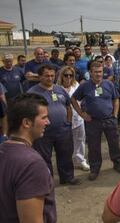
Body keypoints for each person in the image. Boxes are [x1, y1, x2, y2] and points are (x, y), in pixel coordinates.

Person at [0, 93, 56, 223]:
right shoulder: (32, 164)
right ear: (26, 123)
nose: (48, 122)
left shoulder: (4, 150)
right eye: (44, 117)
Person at [71, 61, 120, 181]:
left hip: (109, 120)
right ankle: (95, 169)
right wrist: (82, 114)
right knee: (93, 146)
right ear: (90, 73)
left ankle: (117, 163)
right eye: (95, 72)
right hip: (92, 121)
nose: (98, 74)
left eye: (100, 72)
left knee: (114, 143)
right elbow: (73, 99)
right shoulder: (85, 86)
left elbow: (116, 99)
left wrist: (115, 115)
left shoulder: (109, 84)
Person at [28, 64, 81, 185]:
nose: (50, 78)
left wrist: (68, 122)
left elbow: (68, 105)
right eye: (47, 76)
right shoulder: (32, 93)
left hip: (63, 130)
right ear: (40, 76)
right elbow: (28, 112)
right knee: (44, 158)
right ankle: (47, 181)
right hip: (43, 132)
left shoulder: (59, 89)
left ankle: (67, 177)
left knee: (65, 155)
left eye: (52, 75)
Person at [57, 66, 90, 171]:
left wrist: (83, 112)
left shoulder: (76, 86)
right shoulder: (56, 88)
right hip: (63, 120)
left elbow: (83, 100)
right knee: (65, 144)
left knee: (80, 140)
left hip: (78, 118)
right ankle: (67, 163)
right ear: (61, 76)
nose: (68, 77)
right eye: (66, 75)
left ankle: (80, 160)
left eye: (71, 75)